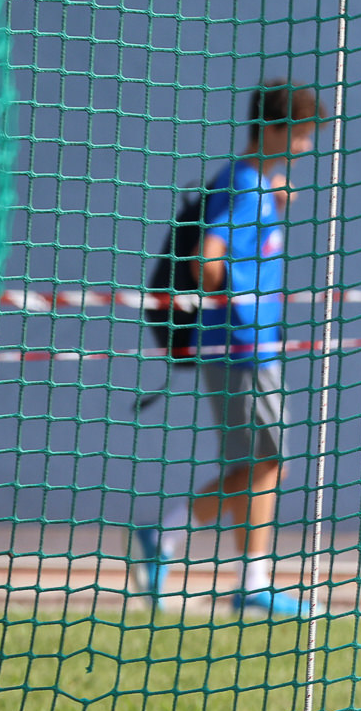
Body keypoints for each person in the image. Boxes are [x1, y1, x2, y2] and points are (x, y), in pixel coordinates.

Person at [129, 80, 324, 618]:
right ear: (275, 130)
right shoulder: (244, 187)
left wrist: (272, 196)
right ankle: (243, 579)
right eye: (302, 134)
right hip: (241, 347)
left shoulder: (249, 182)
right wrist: (237, 313)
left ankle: (173, 541)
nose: (307, 146)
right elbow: (205, 261)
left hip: (241, 346)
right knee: (269, 461)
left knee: (261, 464)